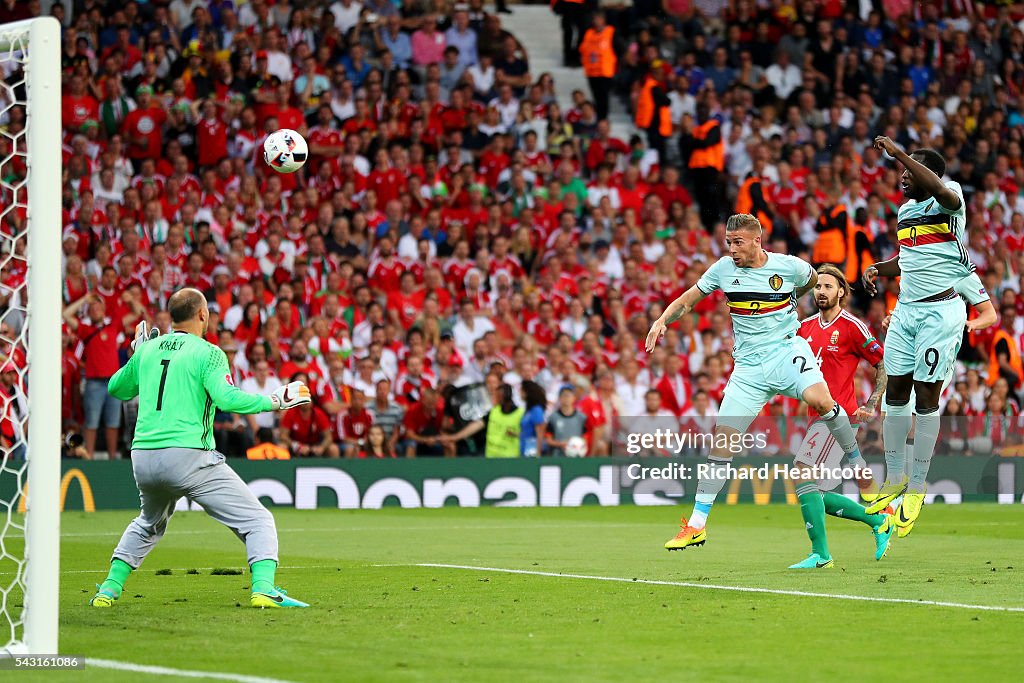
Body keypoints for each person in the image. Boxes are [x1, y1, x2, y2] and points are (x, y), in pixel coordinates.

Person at [646, 214, 869, 569]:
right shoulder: (722, 269)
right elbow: (688, 300)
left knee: (822, 401)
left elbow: (811, 279)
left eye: (737, 242)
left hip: (786, 351)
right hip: (749, 369)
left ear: (756, 240)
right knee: (723, 442)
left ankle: (857, 463)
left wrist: (790, 300)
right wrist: (661, 320)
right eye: (728, 242)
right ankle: (697, 524)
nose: (731, 249)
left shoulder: (789, 267)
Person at [90, 288, 313, 609]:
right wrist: (275, 401)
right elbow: (227, 399)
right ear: (203, 315)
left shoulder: (149, 349)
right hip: (188, 454)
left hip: (143, 457)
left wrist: (137, 355)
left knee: (148, 522)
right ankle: (264, 588)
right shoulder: (208, 353)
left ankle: (107, 591)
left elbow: (116, 388)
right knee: (257, 521)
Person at [862, 138, 975, 537]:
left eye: (909, 172)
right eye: (901, 172)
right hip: (907, 310)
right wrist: (880, 267)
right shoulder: (906, 210)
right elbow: (908, 258)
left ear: (928, 174)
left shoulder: (950, 198)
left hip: (940, 311)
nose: (902, 177)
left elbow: (941, 189)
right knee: (896, 393)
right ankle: (895, 478)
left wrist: (900, 152)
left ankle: (918, 484)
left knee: (926, 396)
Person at [794, 265, 894, 561]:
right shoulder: (805, 327)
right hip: (816, 417)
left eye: (827, 286)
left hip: (840, 416)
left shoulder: (852, 326)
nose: (820, 291)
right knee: (815, 493)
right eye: (817, 286)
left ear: (841, 292)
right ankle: (879, 521)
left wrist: (872, 402)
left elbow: (883, 364)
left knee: (802, 473)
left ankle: (820, 553)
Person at [62, 291, 145, 459]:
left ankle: (112, 457)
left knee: (113, 423)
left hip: (113, 381)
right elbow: (65, 314)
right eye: (92, 307)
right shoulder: (85, 329)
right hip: (94, 382)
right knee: (91, 423)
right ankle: (90, 457)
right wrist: (84, 299)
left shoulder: (113, 325)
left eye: (99, 307)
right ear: (88, 312)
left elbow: (137, 313)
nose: (96, 310)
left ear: (104, 309)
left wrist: (130, 300)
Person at [443, 383, 523, 458]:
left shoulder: (521, 413)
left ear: (504, 396)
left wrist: (516, 434)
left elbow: (528, 434)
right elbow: (475, 426)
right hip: (491, 457)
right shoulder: (494, 412)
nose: (494, 397)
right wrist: (454, 437)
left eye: (497, 395)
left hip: (510, 459)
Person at [579, 13, 616, 121]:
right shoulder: (588, 33)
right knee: (596, 96)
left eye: (599, 18)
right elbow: (583, 49)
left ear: (604, 20)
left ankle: (603, 118)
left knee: (603, 97)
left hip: (605, 72)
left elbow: (618, 48)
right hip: (591, 71)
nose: (597, 21)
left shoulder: (610, 32)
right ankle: (598, 117)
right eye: (595, 18)